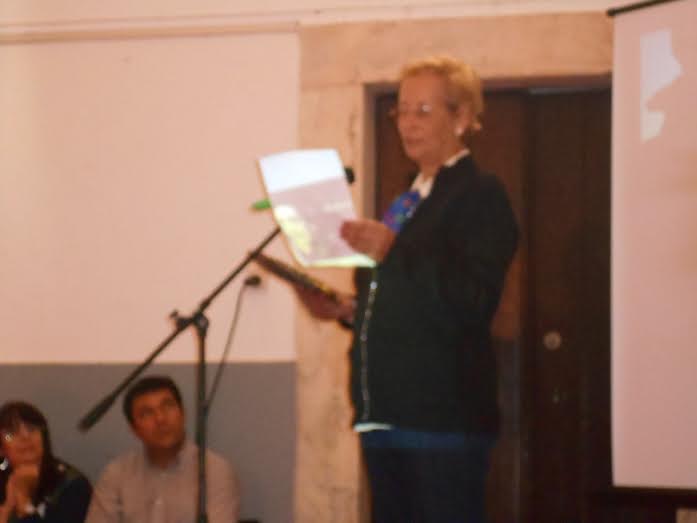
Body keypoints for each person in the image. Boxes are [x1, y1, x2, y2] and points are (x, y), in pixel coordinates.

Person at [296, 55, 519, 522]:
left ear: (461, 118)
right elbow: (408, 298)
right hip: (385, 413)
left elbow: (472, 300)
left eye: (424, 111)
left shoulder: (480, 194)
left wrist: (393, 249)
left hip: (442, 418)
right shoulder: (407, 200)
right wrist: (348, 310)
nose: (407, 124)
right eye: (402, 111)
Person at [85, 375, 240, 523]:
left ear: (183, 414)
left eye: (167, 406)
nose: (160, 419)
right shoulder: (116, 475)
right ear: (134, 429)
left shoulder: (213, 471)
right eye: (147, 413)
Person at [0, 401, 92, 523]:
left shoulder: (74, 486)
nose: (25, 436)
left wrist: (23, 500)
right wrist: (7, 508)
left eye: (32, 429)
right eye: (11, 433)